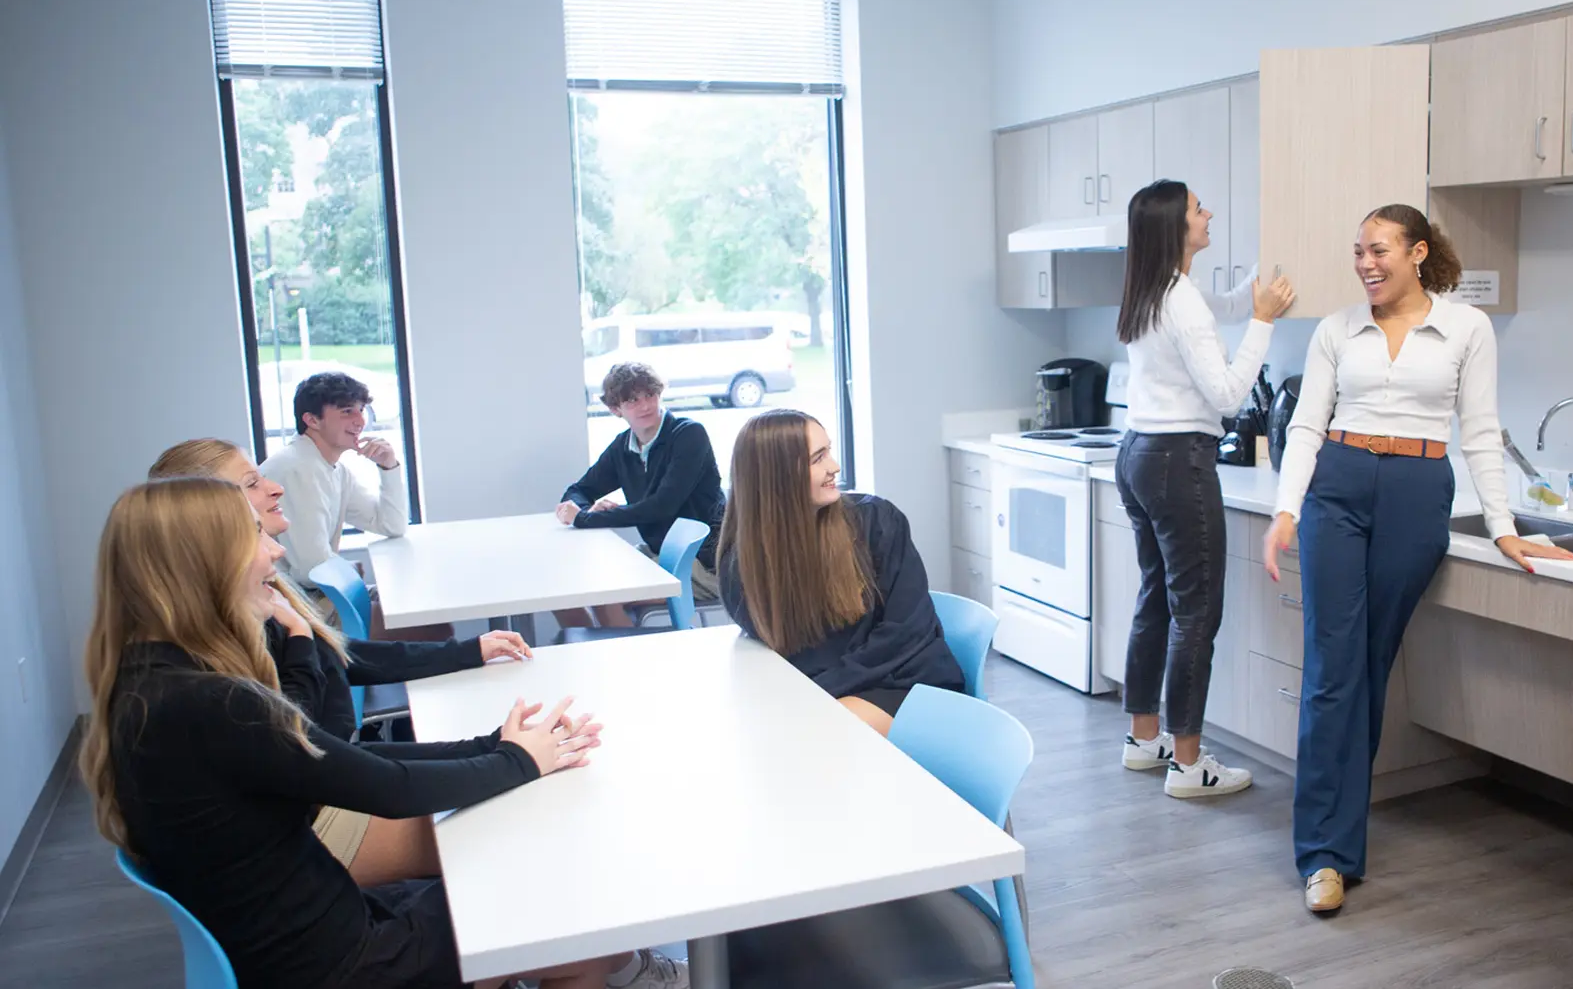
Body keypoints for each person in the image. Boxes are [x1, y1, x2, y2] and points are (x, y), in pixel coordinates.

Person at [79, 477, 636, 989]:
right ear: (201, 562)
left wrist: (496, 747)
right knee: (579, 919)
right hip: (341, 962)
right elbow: (386, 788)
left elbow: (348, 763)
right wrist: (520, 760)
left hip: (301, 937)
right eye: (251, 536)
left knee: (548, 902)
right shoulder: (212, 703)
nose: (275, 551)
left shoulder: (146, 686)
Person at [1261, 203, 1573, 914]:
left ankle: (1340, 838)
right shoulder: (1337, 330)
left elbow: (1482, 429)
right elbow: (1308, 422)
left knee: (1368, 667)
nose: (1366, 264)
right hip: (1337, 489)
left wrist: (1501, 527)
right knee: (1332, 671)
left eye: (1379, 251)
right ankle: (1325, 855)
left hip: (1416, 491)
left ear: (1418, 253)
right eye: (1359, 252)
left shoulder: (1466, 327)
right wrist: (1286, 511)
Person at [147, 438, 531, 886]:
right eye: (252, 483)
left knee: (510, 783)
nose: (275, 488)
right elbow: (321, 742)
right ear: (206, 514)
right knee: (509, 827)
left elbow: (338, 711)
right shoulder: (229, 638)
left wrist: (476, 692)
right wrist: (300, 639)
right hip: (315, 817)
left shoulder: (255, 597)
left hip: (325, 789)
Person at [1111, 179, 1294, 799]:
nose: (1208, 212)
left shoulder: (1153, 290)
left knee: (1157, 598)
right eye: (1197, 208)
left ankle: (1145, 739)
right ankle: (1189, 765)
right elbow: (1227, 395)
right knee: (1197, 613)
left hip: (1137, 454)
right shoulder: (1179, 299)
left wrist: (1255, 294)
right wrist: (1265, 323)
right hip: (1175, 463)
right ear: (1175, 227)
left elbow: (1216, 307)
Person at [718, 408, 965, 735]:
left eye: (829, 452)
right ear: (778, 476)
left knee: (805, 738)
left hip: (904, 680)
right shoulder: (742, 563)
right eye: (818, 458)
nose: (834, 466)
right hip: (829, 687)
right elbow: (787, 651)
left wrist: (815, 691)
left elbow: (907, 633)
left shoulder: (878, 521)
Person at [261, 371, 430, 640]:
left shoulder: (331, 468)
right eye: (347, 411)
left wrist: (389, 467)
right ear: (312, 420)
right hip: (294, 610)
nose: (360, 420)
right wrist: (348, 571)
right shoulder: (298, 469)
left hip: (312, 597)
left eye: (361, 410)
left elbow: (391, 524)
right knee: (426, 624)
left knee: (421, 608)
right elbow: (311, 570)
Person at [557, 362, 726, 624]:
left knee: (607, 596)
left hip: (705, 564)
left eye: (650, 395)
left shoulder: (689, 434)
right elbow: (579, 490)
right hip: (662, 554)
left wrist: (584, 518)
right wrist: (581, 509)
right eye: (633, 400)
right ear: (616, 409)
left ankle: (622, 660)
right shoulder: (624, 446)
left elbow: (662, 506)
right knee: (569, 589)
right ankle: (596, 651)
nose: (646, 405)